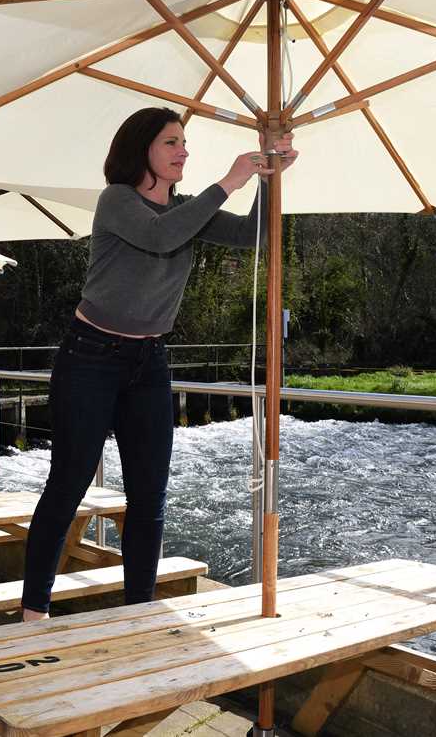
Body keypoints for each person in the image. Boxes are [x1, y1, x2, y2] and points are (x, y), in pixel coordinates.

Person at [20, 106, 298, 620]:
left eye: (184, 142)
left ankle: (138, 614)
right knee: (68, 484)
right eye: (173, 142)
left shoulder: (188, 208)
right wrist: (230, 180)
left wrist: (269, 176)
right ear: (141, 148)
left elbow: (253, 235)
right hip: (90, 358)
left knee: (149, 497)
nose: (184, 151)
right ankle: (33, 611)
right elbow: (159, 236)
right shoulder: (116, 201)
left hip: (148, 362)